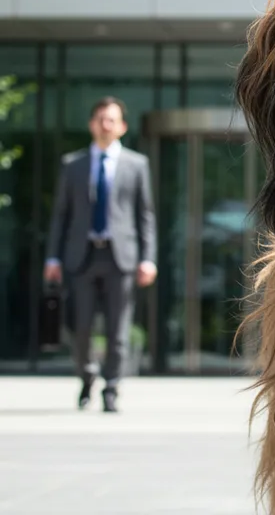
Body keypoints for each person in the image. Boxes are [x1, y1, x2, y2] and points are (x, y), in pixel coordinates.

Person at [44, 97, 157, 413]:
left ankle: (111, 387)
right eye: (101, 119)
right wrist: (52, 259)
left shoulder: (137, 165)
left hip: (121, 258)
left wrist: (148, 258)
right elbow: (61, 216)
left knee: (118, 330)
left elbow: (145, 215)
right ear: (92, 124)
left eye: (112, 119)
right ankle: (86, 376)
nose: (106, 124)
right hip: (81, 257)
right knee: (80, 328)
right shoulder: (73, 165)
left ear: (122, 126)